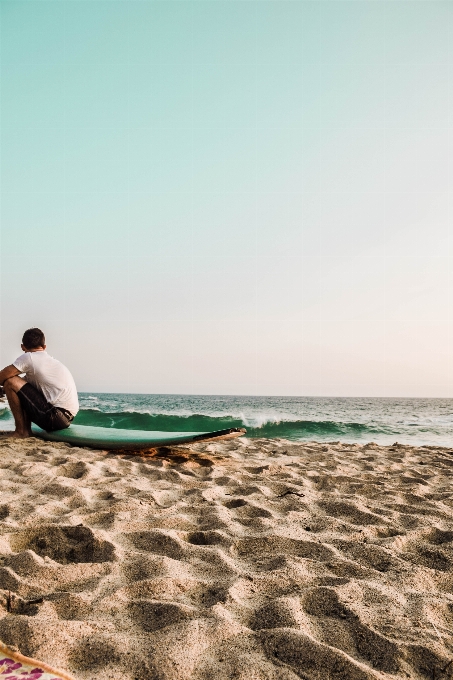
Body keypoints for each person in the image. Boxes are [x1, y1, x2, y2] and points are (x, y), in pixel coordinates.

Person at [0, 328, 79, 438]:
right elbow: (22, 390)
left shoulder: (29, 357)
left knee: (10, 381)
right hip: (65, 418)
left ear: (22, 347)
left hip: (55, 416)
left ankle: (21, 432)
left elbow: (2, 377)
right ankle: (25, 431)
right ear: (44, 347)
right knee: (16, 386)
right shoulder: (48, 362)